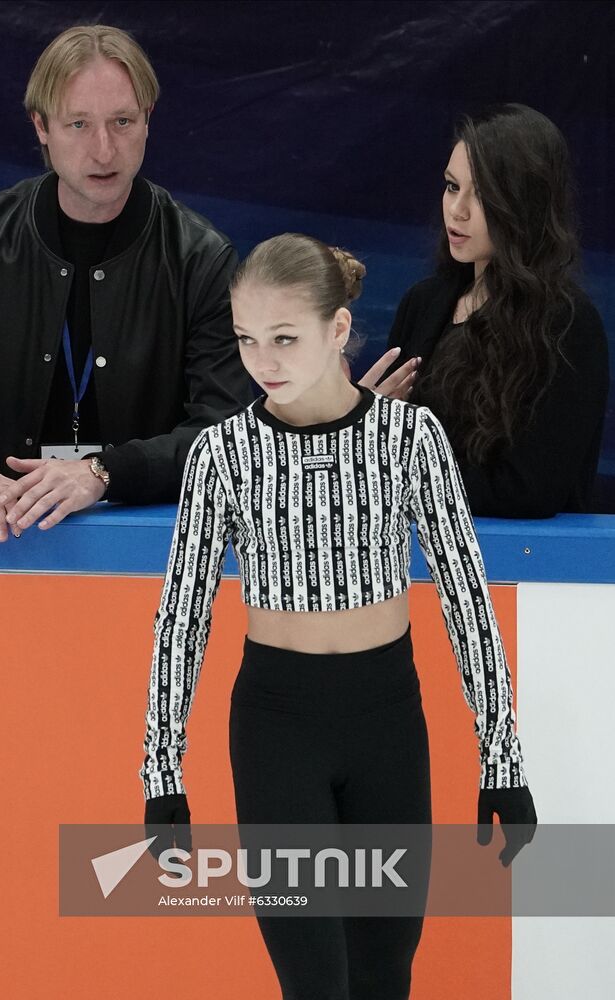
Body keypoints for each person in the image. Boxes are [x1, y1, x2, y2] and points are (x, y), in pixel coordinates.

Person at [140, 233, 537, 1000]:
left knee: (384, 977)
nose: (264, 361)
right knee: (315, 985)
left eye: (284, 337)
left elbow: (464, 595)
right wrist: (162, 770)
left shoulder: (410, 439)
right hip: (275, 727)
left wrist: (502, 757)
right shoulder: (221, 456)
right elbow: (180, 618)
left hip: (387, 720)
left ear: (339, 329)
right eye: (248, 339)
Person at [0, 24, 254, 542]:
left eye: (122, 121)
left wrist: (103, 473)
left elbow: (226, 432)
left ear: (148, 120)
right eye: (79, 124)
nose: (104, 150)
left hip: (139, 551)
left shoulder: (200, 257)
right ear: (41, 127)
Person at [359, 104, 609, 518]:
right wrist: (356, 428)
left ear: (526, 204)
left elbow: (529, 491)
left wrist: (389, 457)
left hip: (520, 572)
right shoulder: (423, 303)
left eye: (484, 196)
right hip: (412, 563)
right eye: (452, 186)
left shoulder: (567, 325)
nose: (458, 210)